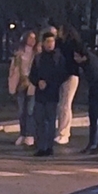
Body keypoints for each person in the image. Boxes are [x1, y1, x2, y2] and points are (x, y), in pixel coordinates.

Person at [28, 27, 66, 155]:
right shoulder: (38, 58)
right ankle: (40, 146)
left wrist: (49, 83)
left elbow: (61, 75)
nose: (50, 44)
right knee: (39, 120)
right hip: (40, 94)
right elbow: (32, 75)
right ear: (43, 43)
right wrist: (38, 82)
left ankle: (49, 147)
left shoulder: (58, 58)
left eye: (52, 41)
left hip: (52, 94)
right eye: (48, 42)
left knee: (50, 121)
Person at [55, 31, 85, 149]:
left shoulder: (70, 46)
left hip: (70, 76)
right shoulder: (64, 45)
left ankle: (64, 133)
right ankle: (61, 131)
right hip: (65, 76)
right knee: (62, 105)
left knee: (65, 104)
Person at [8, 29, 37, 146]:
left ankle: (30, 135)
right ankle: (22, 134)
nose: (32, 40)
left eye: (34, 38)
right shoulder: (18, 53)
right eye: (30, 38)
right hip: (20, 83)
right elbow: (13, 69)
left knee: (30, 110)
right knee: (21, 111)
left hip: (32, 84)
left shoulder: (37, 54)